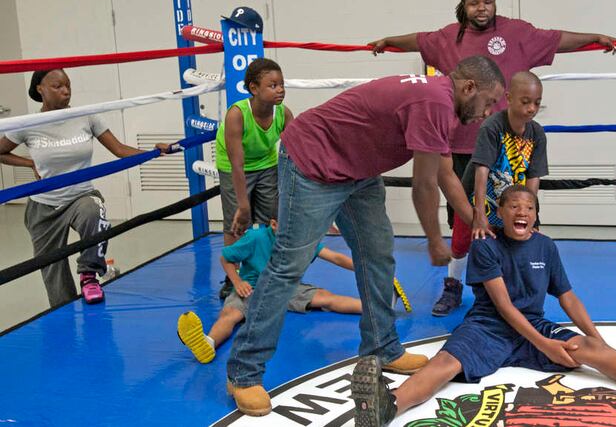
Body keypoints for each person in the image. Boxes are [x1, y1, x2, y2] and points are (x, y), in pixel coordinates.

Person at [225, 56, 506, 417]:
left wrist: (479, 224)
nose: (486, 113)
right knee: (287, 266)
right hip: (314, 163)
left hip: (357, 170)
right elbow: (423, 185)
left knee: (378, 254)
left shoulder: (443, 103)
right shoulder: (435, 102)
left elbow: (446, 174)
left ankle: (382, 347)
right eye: (487, 103)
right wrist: (436, 241)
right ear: (469, 87)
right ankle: (243, 373)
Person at [351, 185, 616, 426]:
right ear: (502, 211)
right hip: (488, 327)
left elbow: (567, 296)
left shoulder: (546, 246)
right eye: (513, 206)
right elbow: (505, 306)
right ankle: (388, 405)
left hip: (533, 326)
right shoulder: (485, 245)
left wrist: (598, 340)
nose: (521, 211)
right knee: (446, 363)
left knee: (588, 348)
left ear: (536, 214)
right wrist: (545, 346)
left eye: (529, 206)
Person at [369, 0, 616, 314]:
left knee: (509, 217)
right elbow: (418, 40)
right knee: (464, 220)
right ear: (463, 5)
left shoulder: (516, 33)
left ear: (495, 2)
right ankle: (454, 285)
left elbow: (557, 39)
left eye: (487, 1)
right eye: (474, 2)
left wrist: (595, 37)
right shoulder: (448, 37)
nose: (481, 8)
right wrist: (388, 42)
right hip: (458, 145)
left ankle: (509, 287)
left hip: (505, 148)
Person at [0, 69, 169, 306]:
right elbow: (1, 152)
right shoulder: (27, 124)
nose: (66, 91)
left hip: (81, 195)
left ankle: (89, 275)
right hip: (44, 205)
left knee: (94, 212)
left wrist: (154, 153)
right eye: (57, 86)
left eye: (68, 85)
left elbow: (119, 150)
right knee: (52, 270)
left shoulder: (86, 116)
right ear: (40, 89)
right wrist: (29, 163)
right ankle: (64, 312)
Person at [435, 71, 547, 316]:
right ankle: (452, 287)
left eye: (536, 103)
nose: (531, 108)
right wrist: (477, 213)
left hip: (511, 203)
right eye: (525, 101)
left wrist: (532, 214)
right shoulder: (492, 126)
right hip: (478, 197)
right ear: (508, 98)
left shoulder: (536, 134)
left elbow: (534, 176)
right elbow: (481, 171)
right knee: (463, 242)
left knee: (511, 244)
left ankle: (508, 295)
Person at [177, 218, 361, 364]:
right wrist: (238, 281)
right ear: (273, 224)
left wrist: (365, 269)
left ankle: (375, 306)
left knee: (326, 298)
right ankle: (208, 344)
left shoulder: (301, 240)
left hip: (287, 286)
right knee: (230, 314)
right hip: (253, 287)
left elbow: (335, 257)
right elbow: (226, 258)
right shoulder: (255, 238)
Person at [215, 57, 293, 299]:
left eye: (281, 84)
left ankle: (264, 272)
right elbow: (237, 164)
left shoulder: (283, 113)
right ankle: (232, 278)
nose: (280, 89)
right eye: (272, 85)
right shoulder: (237, 114)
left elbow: (297, 150)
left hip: (267, 163)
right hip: (234, 167)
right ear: (254, 88)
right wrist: (243, 204)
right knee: (237, 222)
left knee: (269, 219)